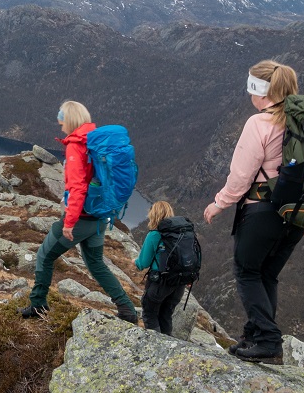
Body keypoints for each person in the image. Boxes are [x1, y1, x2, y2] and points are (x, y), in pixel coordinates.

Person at [202, 60, 304, 363]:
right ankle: (253, 336)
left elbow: (242, 176)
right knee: (267, 275)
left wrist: (219, 203)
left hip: (263, 211)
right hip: (297, 214)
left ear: (259, 90)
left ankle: (267, 339)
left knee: (247, 271)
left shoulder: (260, 123)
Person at [19, 101, 141, 324]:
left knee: (45, 256)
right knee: (96, 264)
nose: (59, 123)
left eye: (61, 117)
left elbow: (77, 187)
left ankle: (38, 305)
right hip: (99, 217)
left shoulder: (76, 146)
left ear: (70, 119)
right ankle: (127, 309)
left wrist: (69, 222)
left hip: (82, 218)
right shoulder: (94, 140)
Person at [134, 201, 187, 335]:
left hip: (160, 283)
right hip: (179, 284)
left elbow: (143, 263)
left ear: (154, 215)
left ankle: (155, 349)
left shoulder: (154, 235)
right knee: (165, 316)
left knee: (150, 314)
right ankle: (168, 349)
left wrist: (134, 262)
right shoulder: (182, 234)